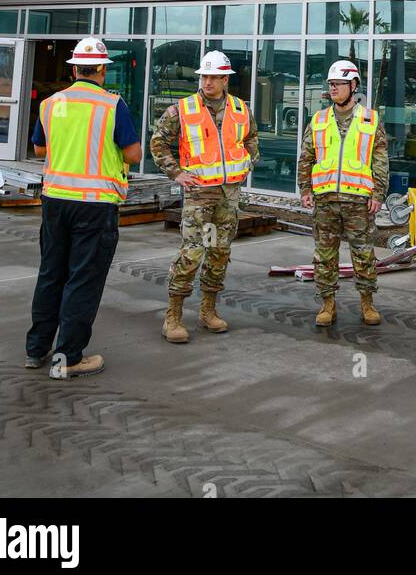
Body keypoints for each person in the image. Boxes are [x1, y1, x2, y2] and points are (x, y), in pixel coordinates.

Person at [27, 37, 141, 378]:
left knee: (51, 273)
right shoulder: (112, 105)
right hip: (94, 204)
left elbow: (38, 151)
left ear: (74, 68)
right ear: (103, 70)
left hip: (55, 201)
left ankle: (36, 351)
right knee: (83, 280)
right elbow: (133, 153)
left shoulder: (51, 104)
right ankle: (68, 358)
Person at [150, 49, 258, 342]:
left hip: (228, 194)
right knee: (193, 251)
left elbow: (250, 138)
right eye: (204, 76)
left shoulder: (240, 108)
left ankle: (208, 311)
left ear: (225, 79)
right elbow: (158, 143)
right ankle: (173, 316)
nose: (207, 82)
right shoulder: (182, 110)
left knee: (220, 251)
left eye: (214, 77)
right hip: (199, 194)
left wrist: (249, 161)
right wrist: (176, 173)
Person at [297, 60, 389, 327]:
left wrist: (378, 193)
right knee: (324, 256)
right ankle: (328, 305)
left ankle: (367, 304)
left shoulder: (370, 120)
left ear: (353, 85)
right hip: (325, 201)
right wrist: (305, 188)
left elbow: (381, 160)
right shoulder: (319, 120)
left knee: (364, 254)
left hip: (359, 202)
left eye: (338, 84)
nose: (333, 88)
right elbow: (306, 157)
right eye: (331, 84)